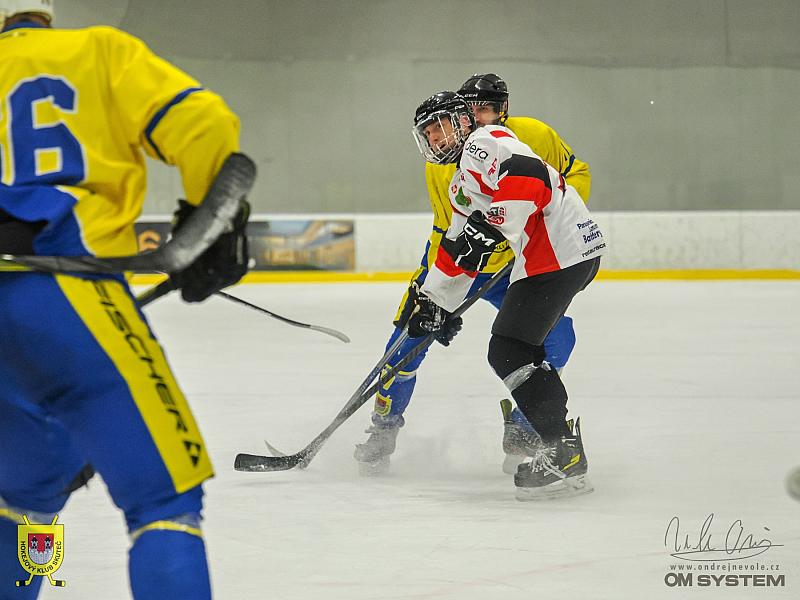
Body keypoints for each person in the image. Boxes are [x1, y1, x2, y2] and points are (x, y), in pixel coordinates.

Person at [0, 2, 250, 598]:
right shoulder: (98, 51)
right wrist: (207, 229)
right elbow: (206, 123)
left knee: (23, 499)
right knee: (163, 500)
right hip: (66, 294)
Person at [354, 73, 592, 475]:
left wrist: (530, 228)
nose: (479, 117)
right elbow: (451, 231)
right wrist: (435, 296)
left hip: (516, 263)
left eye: (487, 109)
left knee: (555, 338)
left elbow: (572, 176)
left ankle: (528, 427)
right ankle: (384, 427)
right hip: (467, 261)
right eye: (472, 109)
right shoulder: (445, 161)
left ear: (503, 109)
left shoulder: (531, 135)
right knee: (409, 337)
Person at [407, 91, 606, 500]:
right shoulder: (461, 185)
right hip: (555, 256)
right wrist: (434, 303)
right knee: (514, 349)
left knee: (510, 349)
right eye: (428, 133)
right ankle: (561, 448)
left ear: (463, 121)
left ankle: (561, 449)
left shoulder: (486, 141)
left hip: (560, 251)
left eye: (440, 127)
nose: (436, 138)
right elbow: (458, 248)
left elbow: (528, 176)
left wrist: (493, 224)